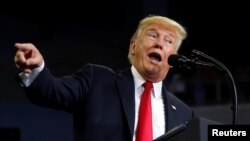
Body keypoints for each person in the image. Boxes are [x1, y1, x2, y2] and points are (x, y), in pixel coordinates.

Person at [14, 15, 194, 141]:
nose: (160, 43)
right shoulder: (97, 80)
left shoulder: (184, 113)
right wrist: (36, 69)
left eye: (169, 41)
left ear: (174, 60)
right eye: (153, 35)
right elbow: (53, 92)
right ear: (133, 47)